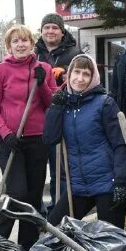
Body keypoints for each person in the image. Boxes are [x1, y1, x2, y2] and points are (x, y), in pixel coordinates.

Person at [42, 54, 126, 228]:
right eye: (76, 72)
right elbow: (49, 139)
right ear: (69, 74)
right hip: (78, 186)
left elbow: (120, 145)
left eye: (86, 74)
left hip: (107, 184)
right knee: (53, 228)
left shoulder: (105, 104)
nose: (80, 78)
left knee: (110, 238)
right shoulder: (64, 105)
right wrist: (55, 108)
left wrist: (121, 181)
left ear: (93, 78)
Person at [0, 24, 56, 248]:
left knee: (34, 196)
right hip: (10, 141)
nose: (20, 45)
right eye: (15, 41)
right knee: (17, 192)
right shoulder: (1, 70)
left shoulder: (44, 68)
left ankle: (27, 247)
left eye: (24, 40)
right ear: (9, 46)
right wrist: (5, 133)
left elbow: (52, 104)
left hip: (37, 140)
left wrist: (42, 83)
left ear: (32, 43)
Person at [35, 13, 83, 211]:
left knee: (60, 170)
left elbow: (85, 80)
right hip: (37, 119)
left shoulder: (74, 54)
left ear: (62, 32)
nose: (50, 31)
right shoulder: (33, 54)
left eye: (55, 28)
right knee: (36, 171)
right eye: (46, 27)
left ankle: (58, 211)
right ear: (41, 31)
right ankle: (37, 212)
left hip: (63, 118)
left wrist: (66, 74)